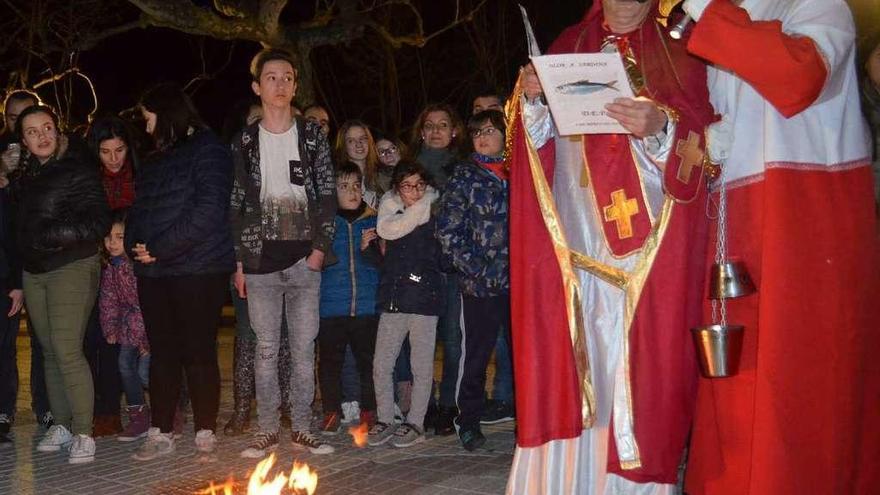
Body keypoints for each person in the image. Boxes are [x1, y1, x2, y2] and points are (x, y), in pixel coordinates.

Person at [507, 0, 715, 492]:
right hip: (574, 244)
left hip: (649, 253)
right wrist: (532, 98)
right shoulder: (567, 46)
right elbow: (533, 147)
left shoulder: (683, 51)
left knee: (638, 372)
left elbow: (708, 144)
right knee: (572, 365)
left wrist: (661, 126)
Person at [678, 1, 880, 493]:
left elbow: (799, 77)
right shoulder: (729, 13)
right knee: (737, 371)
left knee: (795, 373)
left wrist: (708, 8)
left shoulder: (819, 5)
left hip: (804, 216)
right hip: (737, 210)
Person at [230, 48, 336, 457]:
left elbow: (326, 195)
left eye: (287, 77)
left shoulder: (312, 135)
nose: (279, 84)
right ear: (257, 86)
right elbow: (237, 203)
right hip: (259, 264)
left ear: (295, 85)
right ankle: (267, 429)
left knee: (304, 347)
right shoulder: (243, 141)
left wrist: (318, 250)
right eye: (271, 77)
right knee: (266, 349)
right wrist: (240, 262)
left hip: (304, 260)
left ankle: (304, 428)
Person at [125, 83, 235, 460]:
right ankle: (160, 430)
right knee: (163, 352)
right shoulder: (155, 158)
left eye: (149, 117)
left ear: (167, 111)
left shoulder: (209, 149)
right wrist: (134, 247)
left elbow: (209, 209)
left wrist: (159, 248)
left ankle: (205, 429)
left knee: (198, 350)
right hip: (155, 273)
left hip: (198, 268)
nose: (146, 125)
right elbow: (139, 209)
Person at [15, 104, 111, 464]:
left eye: (47, 128)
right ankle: (64, 425)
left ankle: (85, 431)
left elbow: (98, 221)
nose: (42, 136)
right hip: (35, 271)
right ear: (23, 140)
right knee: (49, 351)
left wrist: (50, 236)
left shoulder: (78, 168)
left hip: (71, 264)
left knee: (68, 349)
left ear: (57, 131)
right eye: (32, 131)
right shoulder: (25, 177)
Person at [436, 110, 511, 451]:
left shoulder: (520, 173)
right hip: (479, 286)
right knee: (476, 356)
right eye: (478, 131)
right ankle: (468, 420)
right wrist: (476, 268)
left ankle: (528, 419)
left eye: (491, 130)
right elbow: (448, 231)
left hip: (518, 284)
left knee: (521, 355)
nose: (483, 136)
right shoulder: (464, 177)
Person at [219, 98, 294, 436]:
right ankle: (242, 407)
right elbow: (231, 217)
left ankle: (288, 406)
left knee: (286, 336)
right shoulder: (237, 168)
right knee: (249, 336)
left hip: (289, 263)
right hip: (249, 263)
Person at [367, 160, 443, 448]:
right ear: (397, 189)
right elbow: (385, 262)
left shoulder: (432, 214)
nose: (414, 192)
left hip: (424, 301)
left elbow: (440, 259)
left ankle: (416, 422)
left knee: (420, 366)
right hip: (393, 300)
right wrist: (371, 249)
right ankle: (386, 418)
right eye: (407, 186)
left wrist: (424, 275)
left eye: (419, 185)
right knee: (382, 363)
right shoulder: (387, 216)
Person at [0, 90, 52, 435]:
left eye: (28, 118)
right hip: (9, 265)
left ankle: (47, 407)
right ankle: (3, 411)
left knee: (45, 340)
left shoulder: (51, 158)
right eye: (14, 118)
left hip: (41, 263)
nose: (21, 125)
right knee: (4, 343)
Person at [410, 103, 464, 435]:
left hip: (454, 269)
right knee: (421, 341)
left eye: (443, 125)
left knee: (453, 339)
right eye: (429, 125)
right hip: (420, 266)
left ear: (454, 131)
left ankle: (449, 404)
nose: (435, 131)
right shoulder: (410, 169)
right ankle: (423, 403)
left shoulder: (463, 168)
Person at [314, 161, 380, 436]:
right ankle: (331, 410)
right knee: (330, 362)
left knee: (369, 361)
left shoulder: (374, 220)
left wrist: (370, 249)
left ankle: (369, 409)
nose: (352, 192)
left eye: (356, 186)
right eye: (344, 187)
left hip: (366, 307)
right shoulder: (326, 222)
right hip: (331, 307)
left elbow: (382, 264)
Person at [99, 209, 150, 442]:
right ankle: (138, 416)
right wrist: (110, 328)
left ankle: (171, 408)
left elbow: (149, 303)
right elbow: (108, 300)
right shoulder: (111, 267)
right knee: (125, 366)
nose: (112, 243)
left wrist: (146, 340)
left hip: (148, 328)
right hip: (128, 328)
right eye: (109, 237)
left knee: (145, 372)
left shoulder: (137, 266)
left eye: (119, 237)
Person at [335, 120, 383, 208]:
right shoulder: (337, 179)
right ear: (344, 146)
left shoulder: (382, 176)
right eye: (351, 141)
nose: (359, 144)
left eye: (363, 138)